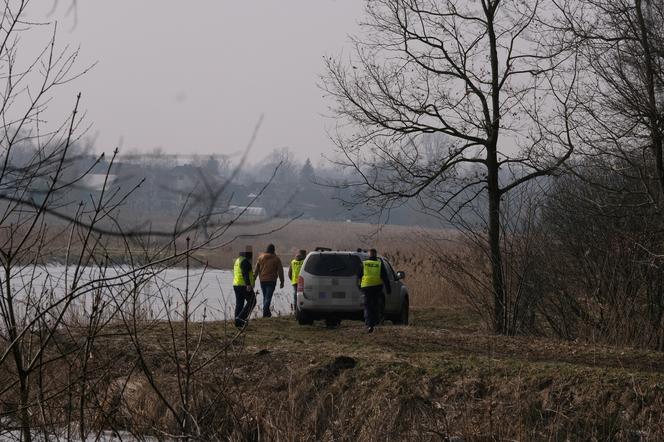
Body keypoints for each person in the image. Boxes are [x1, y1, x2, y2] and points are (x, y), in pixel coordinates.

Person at [358, 248, 391, 333]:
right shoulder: (379, 264)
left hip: (366, 287)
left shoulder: (364, 263)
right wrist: (388, 289)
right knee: (376, 305)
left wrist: (359, 287)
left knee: (367, 306)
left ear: (369, 255)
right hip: (377, 287)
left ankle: (369, 324)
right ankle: (375, 322)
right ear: (376, 255)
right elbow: (385, 277)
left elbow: (359, 276)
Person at [254, 243, 284, 317]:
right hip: (271, 280)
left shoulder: (260, 257)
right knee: (268, 297)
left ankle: (267, 313)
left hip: (262, 280)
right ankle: (265, 312)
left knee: (265, 297)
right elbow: (280, 271)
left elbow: (256, 269)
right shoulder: (276, 259)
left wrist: (254, 279)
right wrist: (282, 281)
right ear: (274, 250)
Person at [232, 249, 256, 328]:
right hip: (244, 285)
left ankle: (237, 322)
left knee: (239, 304)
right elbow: (245, 273)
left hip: (236, 284)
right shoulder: (245, 261)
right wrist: (248, 285)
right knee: (252, 301)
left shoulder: (237, 261)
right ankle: (241, 318)